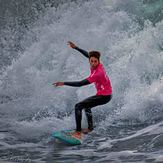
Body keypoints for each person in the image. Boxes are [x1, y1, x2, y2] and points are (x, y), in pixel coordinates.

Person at [53, 41, 112, 139]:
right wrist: (76, 47)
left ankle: (78, 132)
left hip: (104, 96)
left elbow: (80, 84)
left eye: (95, 61)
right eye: (91, 61)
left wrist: (64, 83)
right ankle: (90, 128)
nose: (93, 64)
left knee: (78, 106)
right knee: (87, 106)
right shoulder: (97, 64)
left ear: (99, 61)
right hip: (106, 94)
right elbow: (87, 55)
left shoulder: (98, 73)